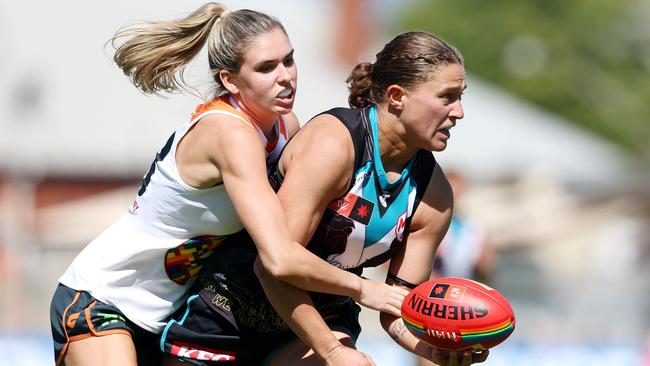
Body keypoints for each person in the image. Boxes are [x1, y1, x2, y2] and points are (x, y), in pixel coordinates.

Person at [49, 3, 404, 366]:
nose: (286, 76)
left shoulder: (285, 126)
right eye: (266, 68)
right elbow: (279, 256)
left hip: (171, 315)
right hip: (105, 298)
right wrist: (364, 289)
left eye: (289, 60)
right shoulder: (230, 133)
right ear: (229, 81)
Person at [161, 31, 489, 366]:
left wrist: (430, 349)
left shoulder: (434, 193)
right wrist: (334, 347)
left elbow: (398, 306)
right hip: (228, 313)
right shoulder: (333, 145)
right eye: (447, 97)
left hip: (321, 320)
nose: (459, 112)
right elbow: (273, 266)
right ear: (396, 96)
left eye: (460, 96)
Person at [431, 170, 494, 283]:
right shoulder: (430, 224)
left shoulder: (474, 228)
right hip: (435, 289)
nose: (453, 199)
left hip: (463, 290)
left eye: (457, 194)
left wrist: (485, 262)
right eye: (449, 194)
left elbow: (485, 270)